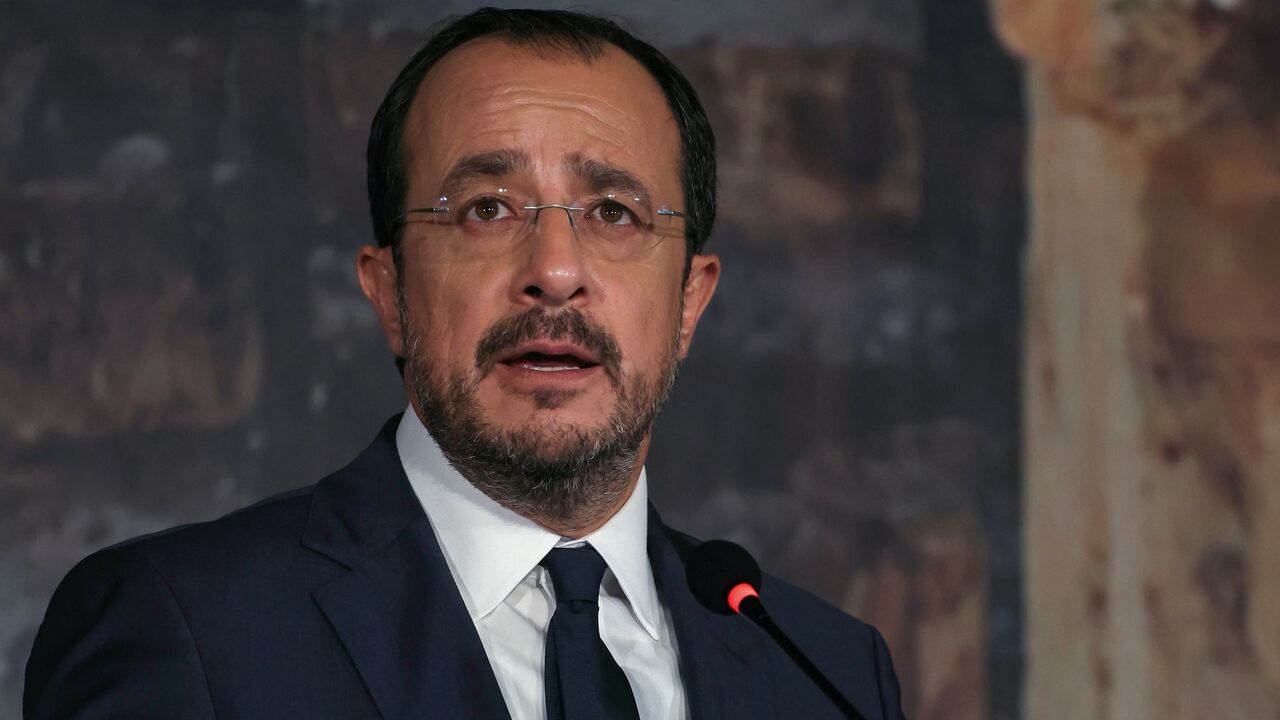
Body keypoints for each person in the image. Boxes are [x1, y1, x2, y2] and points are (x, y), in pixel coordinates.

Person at [25, 8, 904, 719]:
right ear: (390, 292)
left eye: (614, 212)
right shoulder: (185, 628)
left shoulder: (831, 675)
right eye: (486, 209)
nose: (554, 270)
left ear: (689, 303)